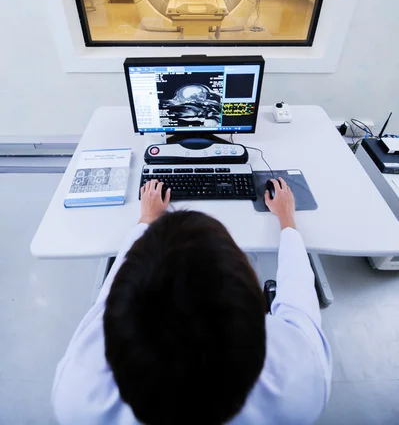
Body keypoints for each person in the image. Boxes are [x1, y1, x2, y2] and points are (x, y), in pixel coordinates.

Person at [52, 178, 331, 425]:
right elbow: (297, 291)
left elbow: (110, 295)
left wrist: (147, 219)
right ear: (259, 312)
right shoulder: (302, 385)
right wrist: (287, 222)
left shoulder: (76, 397)